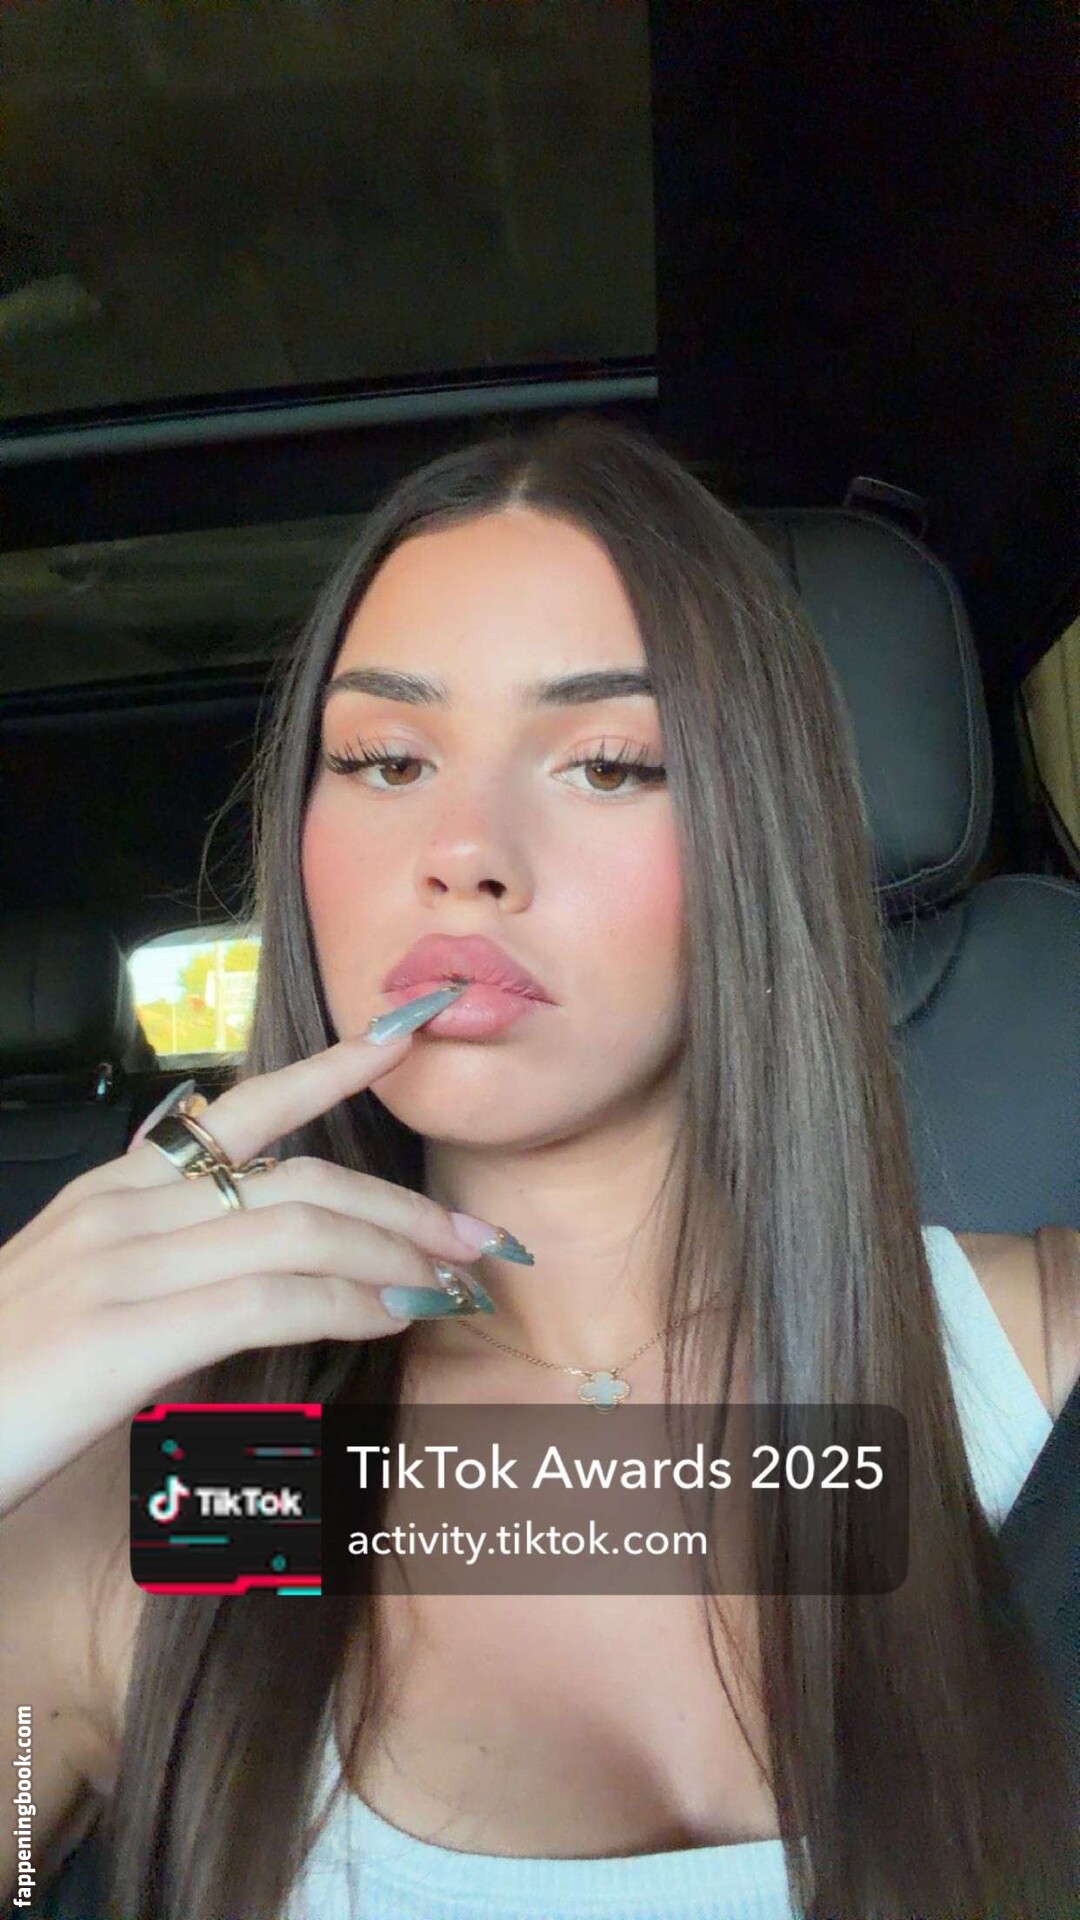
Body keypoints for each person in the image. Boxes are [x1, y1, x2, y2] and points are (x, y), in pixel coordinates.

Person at [0, 414, 1076, 1920]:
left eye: (610, 764)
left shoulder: (1039, 1364)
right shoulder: (194, 1489)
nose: (464, 849)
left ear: (762, 832)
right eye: (384, 758)